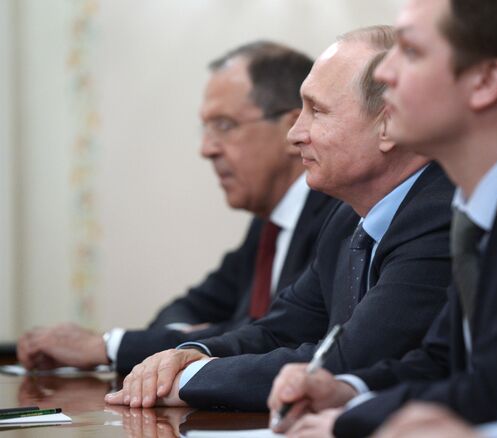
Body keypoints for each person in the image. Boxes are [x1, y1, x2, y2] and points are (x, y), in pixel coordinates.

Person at [104, 26, 455, 412]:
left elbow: (350, 360)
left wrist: (191, 379)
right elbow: (280, 328)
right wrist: (189, 354)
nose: (294, 134)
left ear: (387, 124)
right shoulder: (344, 219)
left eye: (317, 111)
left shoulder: (439, 213)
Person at [267, 0, 497, 436]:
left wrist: (351, 420)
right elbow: (441, 362)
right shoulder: (483, 208)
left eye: (412, 52)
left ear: (486, 80)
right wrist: (348, 390)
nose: (383, 73)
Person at [16, 41, 338, 374]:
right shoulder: (269, 224)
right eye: (206, 127)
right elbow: (187, 308)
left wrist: (107, 346)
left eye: (225, 126)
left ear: (290, 128)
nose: (206, 149)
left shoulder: (337, 215)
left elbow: (276, 336)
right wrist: (193, 335)